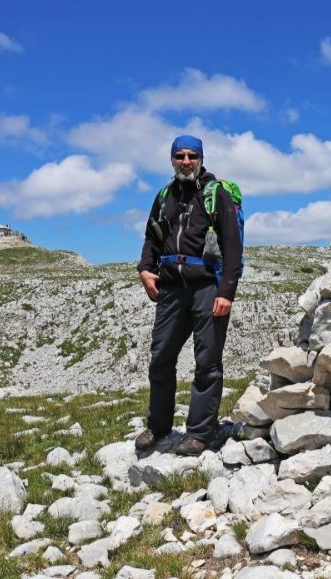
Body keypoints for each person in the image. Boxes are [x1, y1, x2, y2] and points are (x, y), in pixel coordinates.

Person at [135, 135, 242, 456]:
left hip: (208, 287)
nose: (186, 162)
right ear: (172, 159)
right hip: (171, 288)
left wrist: (227, 291)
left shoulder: (216, 194)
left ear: (201, 159)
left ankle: (198, 433)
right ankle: (158, 426)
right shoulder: (164, 196)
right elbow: (151, 237)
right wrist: (145, 269)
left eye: (192, 156)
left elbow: (232, 246)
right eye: (180, 156)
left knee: (207, 361)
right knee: (161, 358)